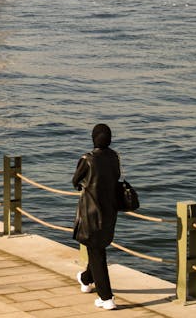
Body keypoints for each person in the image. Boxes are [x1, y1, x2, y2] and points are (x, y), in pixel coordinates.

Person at [72, 124, 120, 311]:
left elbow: (75, 181)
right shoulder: (115, 157)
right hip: (110, 211)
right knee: (97, 249)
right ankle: (85, 279)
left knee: (97, 252)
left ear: (93, 139)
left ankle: (106, 297)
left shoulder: (88, 159)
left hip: (91, 213)